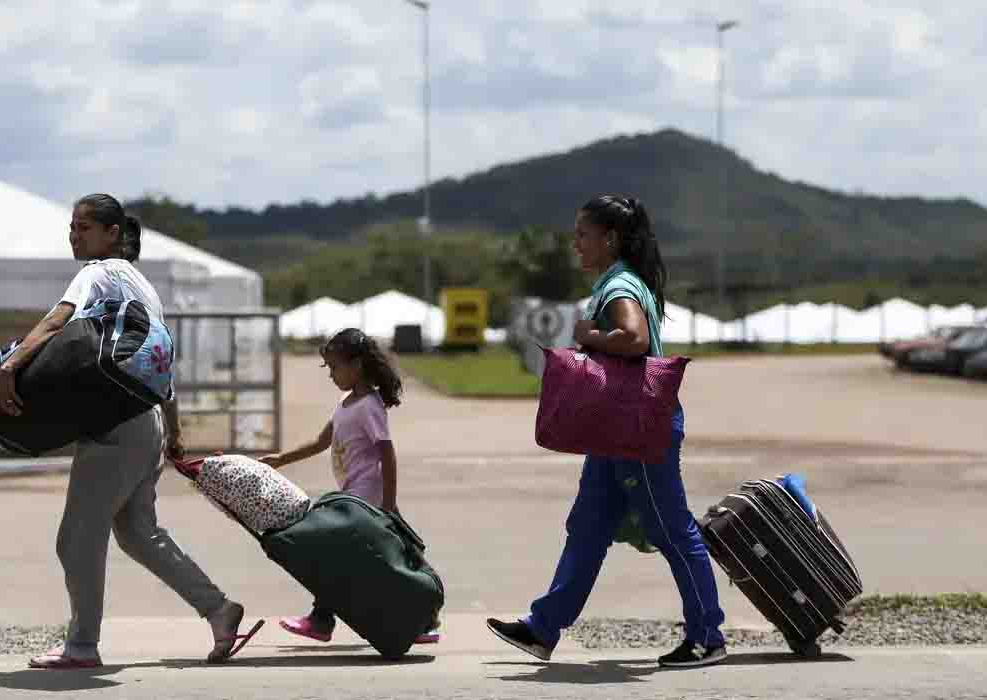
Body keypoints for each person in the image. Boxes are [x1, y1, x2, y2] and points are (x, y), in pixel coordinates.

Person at [0, 194, 258, 669]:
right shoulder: (144, 288)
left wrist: (10, 366)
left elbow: (57, 321)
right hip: (145, 422)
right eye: (72, 227)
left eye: (85, 227)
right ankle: (218, 610)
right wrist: (172, 432)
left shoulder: (97, 273)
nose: (75, 235)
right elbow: (160, 364)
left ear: (112, 234)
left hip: (115, 426)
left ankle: (81, 646)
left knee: (76, 538)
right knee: (137, 533)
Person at [486, 194, 727, 668]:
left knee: (672, 530)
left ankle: (707, 636)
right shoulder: (618, 282)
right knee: (588, 527)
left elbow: (634, 339)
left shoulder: (619, 287)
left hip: (637, 428)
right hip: (614, 430)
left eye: (583, 234)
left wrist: (589, 337)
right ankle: (543, 628)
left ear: (610, 239)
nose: (576, 244)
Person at [260, 328, 439, 644]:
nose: (331, 375)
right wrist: (281, 459)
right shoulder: (346, 403)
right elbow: (321, 441)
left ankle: (322, 619)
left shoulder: (370, 405)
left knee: (338, 556)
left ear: (357, 366)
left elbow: (388, 454)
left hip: (366, 499)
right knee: (381, 559)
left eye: (335, 367)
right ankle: (422, 621)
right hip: (354, 497)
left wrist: (388, 504)